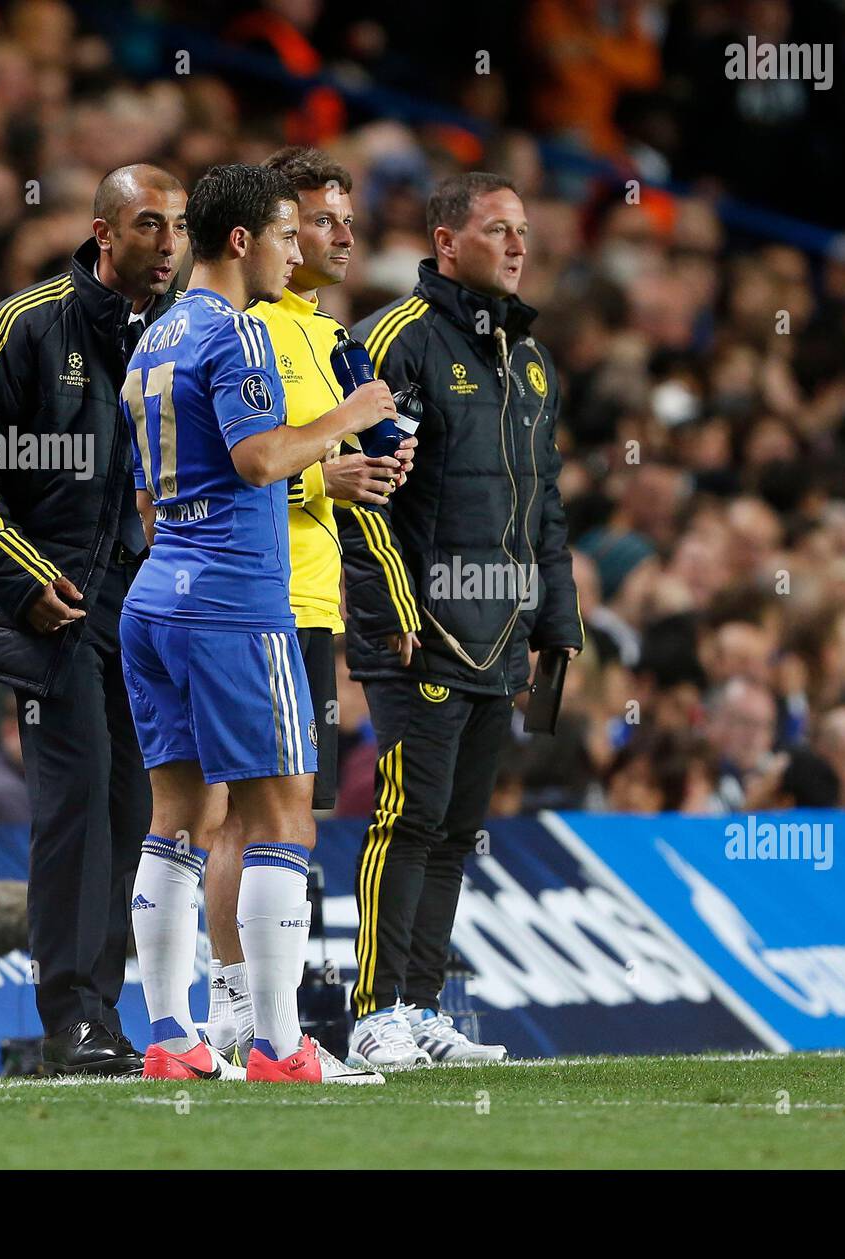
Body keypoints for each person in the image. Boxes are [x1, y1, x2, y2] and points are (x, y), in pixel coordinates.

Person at [118, 162, 394, 1084]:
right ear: (242, 241)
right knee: (282, 819)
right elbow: (258, 456)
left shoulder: (152, 338)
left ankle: (172, 1036)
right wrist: (351, 416)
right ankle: (280, 1046)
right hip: (236, 604)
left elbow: (153, 500)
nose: (294, 250)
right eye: (285, 232)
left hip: (157, 594)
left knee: (180, 817)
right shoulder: (238, 336)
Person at [0, 164, 188, 1075]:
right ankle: (71, 1019)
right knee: (77, 806)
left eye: (180, 227)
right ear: (104, 232)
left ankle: (102, 1016)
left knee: (127, 806)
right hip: (54, 608)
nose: (168, 243)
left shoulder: (176, 334)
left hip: (141, 609)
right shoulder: (28, 325)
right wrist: (27, 578)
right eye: (150, 224)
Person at [340, 172, 584, 1068]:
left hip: (501, 631)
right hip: (421, 630)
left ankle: (420, 1002)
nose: (519, 246)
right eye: (498, 230)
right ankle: (372, 1012)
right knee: (406, 818)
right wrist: (397, 605)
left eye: (524, 230)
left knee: (453, 828)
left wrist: (556, 622)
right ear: (446, 243)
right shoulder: (395, 342)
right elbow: (363, 493)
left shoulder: (529, 360)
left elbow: (543, 505)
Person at [202, 146, 415, 1066]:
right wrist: (327, 471)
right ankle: (250, 1021)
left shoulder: (321, 335)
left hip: (309, 595)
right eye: (314, 222)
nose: (334, 238)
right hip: (260, 590)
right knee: (250, 816)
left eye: (341, 221)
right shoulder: (251, 329)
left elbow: (308, 463)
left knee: (285, 810)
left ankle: (246, 1018)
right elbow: (235, 468)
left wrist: (362, 472)